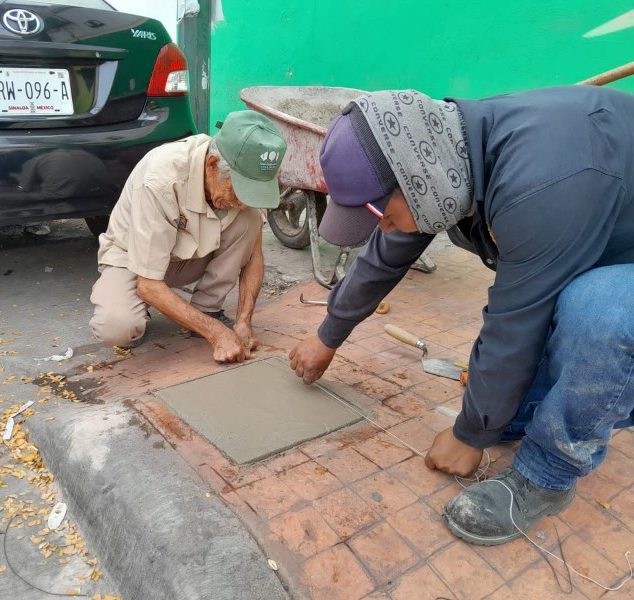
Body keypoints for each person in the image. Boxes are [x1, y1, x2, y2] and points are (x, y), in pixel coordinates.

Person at [289, 87, 634, 546]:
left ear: (416, 182)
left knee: (597, 309)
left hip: (608, 263)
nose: (382, 226)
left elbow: (516, 321)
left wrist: (470, 434)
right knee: (552, 307)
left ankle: (548, 473)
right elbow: (384, 255)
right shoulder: (444, 151)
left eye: (380, 214)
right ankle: (523, 412)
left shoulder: (543, 182)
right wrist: (328, 335)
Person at [90, 110, 286, 364]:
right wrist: (216, 335)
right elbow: (148, 283)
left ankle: (208, 308)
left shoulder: (241, 180)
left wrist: (243, 322)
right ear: (213, 165)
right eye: (240, 191)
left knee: (247, 220)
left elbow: (254, 256)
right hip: (132, 259)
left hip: (187, 256)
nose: (245, 203)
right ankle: (156, 310)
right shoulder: (160, 179)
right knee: (117, 328)